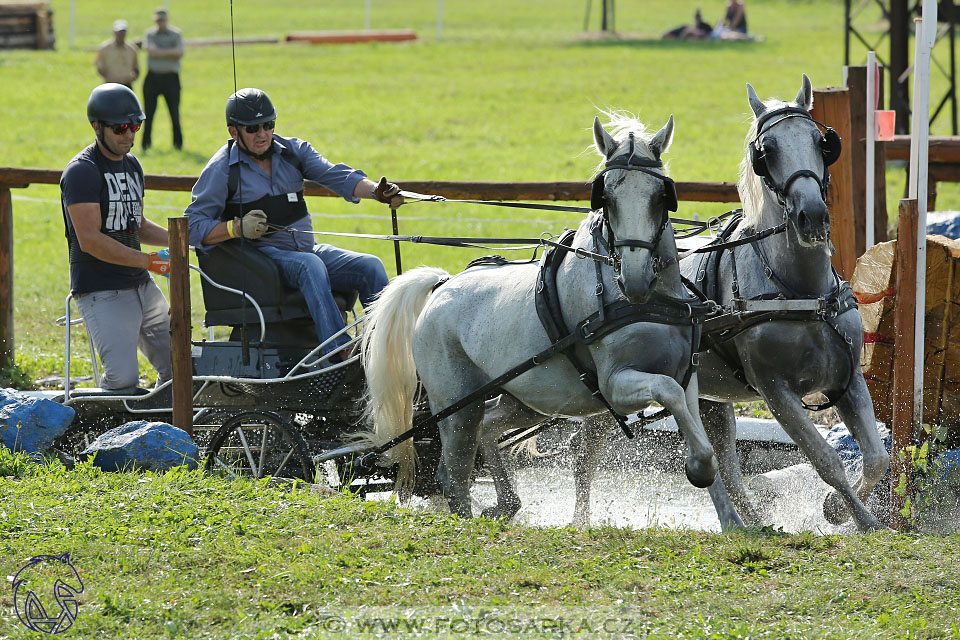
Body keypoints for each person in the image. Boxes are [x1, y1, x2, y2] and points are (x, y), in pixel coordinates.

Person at [185, 88, 401, 362]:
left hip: (306, 250)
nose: (263, 133)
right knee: (310, 265)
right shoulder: (222, 170)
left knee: (370, 265)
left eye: (269, 125)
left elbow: (337, 176)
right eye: (252, 128)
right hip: (261, 259)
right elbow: (192, 226)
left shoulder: (293, 152)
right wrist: (236, 228)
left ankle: (389, 350)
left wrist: (376, 192)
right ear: (233, 132)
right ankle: (338, 350)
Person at [60, 83, 173, 393]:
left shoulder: (132, 165)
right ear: (96, 126)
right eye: (121, 127)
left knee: (181, 368)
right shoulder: (81, 172)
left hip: (140, 284)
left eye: (136, 125)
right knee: (123, 380)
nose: (129, 134)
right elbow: (90, 239)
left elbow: (136, 225)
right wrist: (150, 261)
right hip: (101, 290)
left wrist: (182, 242)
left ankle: (161, 422)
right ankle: (93, 426)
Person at [142, 8, 184, 150]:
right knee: (148, 114)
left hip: (171, 78)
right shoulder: (150, 34)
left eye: (162, 20)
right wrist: (169, 52)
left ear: (167, 20)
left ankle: (178, 145)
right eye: (158, 20)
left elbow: (179, 52)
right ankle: (145, 144)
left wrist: (160, 51)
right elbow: (151, 52)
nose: (160, 23)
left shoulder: (176, 33)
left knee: (174, 113)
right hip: (153, 77)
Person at [95, 20, 139, 88]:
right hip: (109, 84)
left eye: (123, 33)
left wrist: (134, 77)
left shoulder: (132, 49)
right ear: (114, 33)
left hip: (126, 84)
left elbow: (136, 68)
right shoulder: (105, 48)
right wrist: (107, 77)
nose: (121, 35)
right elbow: (99, 67)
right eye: (119, 33)